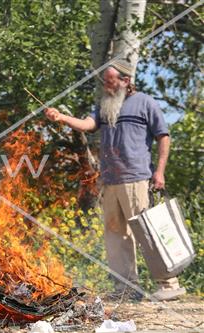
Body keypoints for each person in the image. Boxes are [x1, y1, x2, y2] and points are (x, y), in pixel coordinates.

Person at [44, 59, 185, 301]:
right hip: (109, 180)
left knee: (147, 232)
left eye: (110, 81)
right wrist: (62, 118)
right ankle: (127, 289)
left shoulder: (145, 103)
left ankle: (169, 285)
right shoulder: (104, 105)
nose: (106, 86)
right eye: (105, 82)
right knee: (115, 234)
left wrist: (159, 171)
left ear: (125, 81)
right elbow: (88, 125)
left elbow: (164, 136)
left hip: (136, 179)